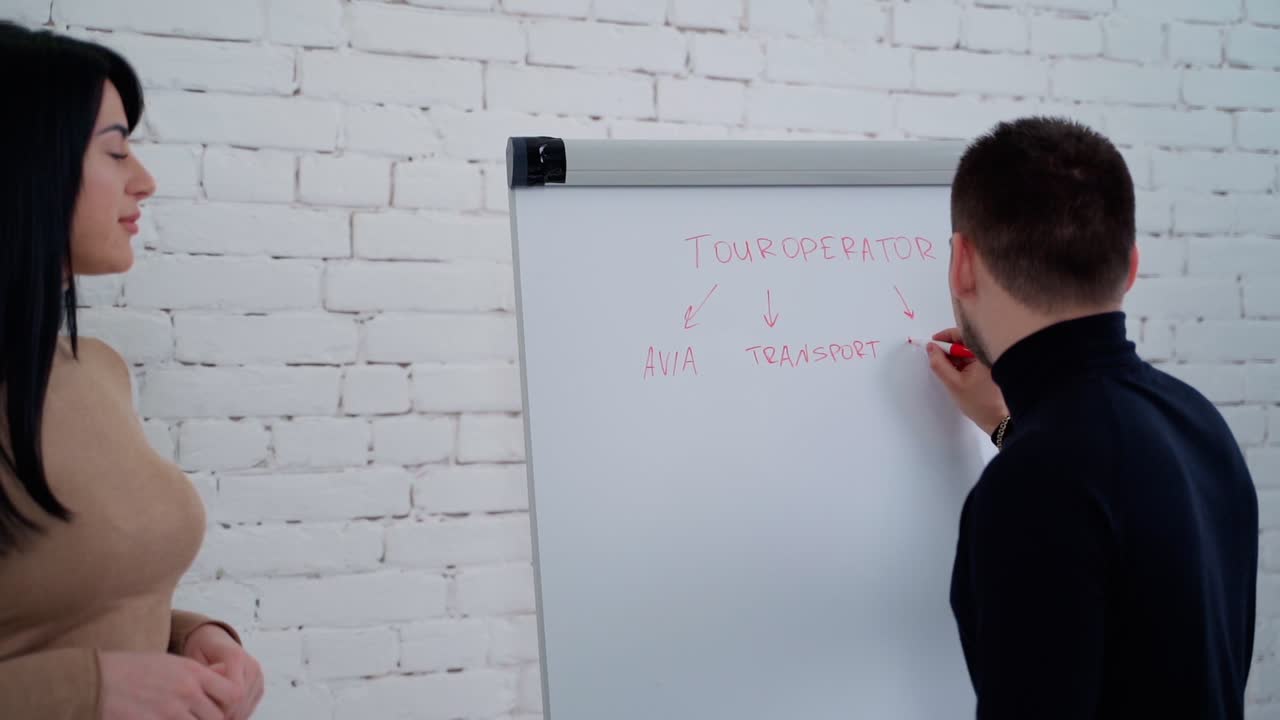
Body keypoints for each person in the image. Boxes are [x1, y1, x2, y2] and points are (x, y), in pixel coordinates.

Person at [927, 116, 1258, 719]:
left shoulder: (1034, 483)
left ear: (962, 264)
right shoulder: (1197, 423)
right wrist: (1005, 426)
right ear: (1131, 267)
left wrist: (1022, 445)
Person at [0, 22, 264, 719]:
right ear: (26, 160)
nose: (143, 181)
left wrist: (189, 638)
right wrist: (86, 690)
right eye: (115, 151)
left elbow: (60, 603)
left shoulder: (95, 372)